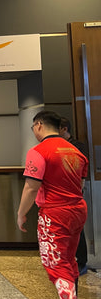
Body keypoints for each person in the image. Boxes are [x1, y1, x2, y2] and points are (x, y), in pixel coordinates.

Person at [18, 111, 90, 299]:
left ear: (38, 125)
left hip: (55, 212)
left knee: (54, 262)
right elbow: (80, 182)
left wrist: (21, 214)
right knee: (69, 257)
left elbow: (31, 187)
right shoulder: (76, 151)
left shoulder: (38, 151)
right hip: (77, 209)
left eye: (33, 128)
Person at [59, 116, 89, 276]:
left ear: (64, 129)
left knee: (77, 231)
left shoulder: (77, 146)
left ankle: (81, 262)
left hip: (73, 196)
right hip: (58, 198)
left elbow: (79, 172)